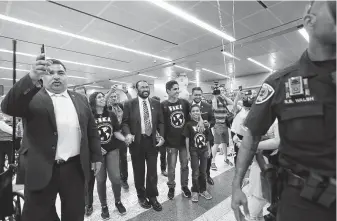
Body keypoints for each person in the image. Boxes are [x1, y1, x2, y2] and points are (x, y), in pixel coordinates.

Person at [231, 1, 336, 221]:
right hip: (302, 203)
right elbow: (251, 136)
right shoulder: (281, 83)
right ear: (309, 22)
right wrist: (237, 185)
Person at [1, 55, 102, 221]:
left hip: (74, 168)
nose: (56, 76)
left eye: (60, 73)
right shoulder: (32, 97)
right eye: (50, 72)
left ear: (66, 76)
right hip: (40, 168)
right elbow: (7, 107)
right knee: (39, 215)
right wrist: (31, 77)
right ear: (42, 76)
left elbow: (91, 129)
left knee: (75, 213)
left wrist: (97, 156)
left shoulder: (81, 99)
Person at [122, 80, 165, 212]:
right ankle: (141, 196)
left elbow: (161, 122)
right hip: (137, 143)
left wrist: (162, 136)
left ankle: (152, 196)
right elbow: (124, 123)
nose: (145, 89)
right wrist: (128, 134)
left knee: (152, 172)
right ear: (136, 89)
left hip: (152, 142)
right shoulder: (129, 104)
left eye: (147, 87)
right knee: (139, 171)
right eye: (142, 87)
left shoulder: (156, 104)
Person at [89, 92, 127, 219]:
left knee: (116, 178)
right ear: (93, 100)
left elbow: (116, 131)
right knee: (100, 180)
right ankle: (104, 206)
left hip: (112, 149)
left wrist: (124, 138)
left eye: (103, 96)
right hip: (97, 153)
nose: (102, 98)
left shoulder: (111, 114)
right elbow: (86, 136)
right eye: (99, 97)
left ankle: (118, 201)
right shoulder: (89, 115)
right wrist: (97, 148)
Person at [161, 80, 192, 200]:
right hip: (171, 143)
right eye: (174, 89)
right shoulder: (163, 105)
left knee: (185, 165)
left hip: (184, 142)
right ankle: (171, 187)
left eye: (178, 88)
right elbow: (160, 123)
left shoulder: (184, 103)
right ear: (168, 91)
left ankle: (184, 186)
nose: (177, 91)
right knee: (171, 168)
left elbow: (191, 117)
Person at [183, 105, 213, 202]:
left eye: (197, 111)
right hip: (194, 150)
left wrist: (209, 149)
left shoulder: (204, 124)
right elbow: (187, 139)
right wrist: (187, 153)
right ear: (190, 114)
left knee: (203, 171)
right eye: (193, 111)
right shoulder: (188, 124)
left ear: (200, 112)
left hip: (204, 150)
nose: (196, 112)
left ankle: (203, 190)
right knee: (195, 171)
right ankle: (195, 190)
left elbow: (207, 138)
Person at [106, 85, 132, 190]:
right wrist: (111, 90)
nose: (114, 98)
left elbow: (131, 101)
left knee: (123, 158)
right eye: (112, 96)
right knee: (113, 159)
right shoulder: (107, 108)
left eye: (115, 96)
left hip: (121, 135)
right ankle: (115, 178)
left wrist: (126, 92)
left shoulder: (120, 106)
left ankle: (124, 179)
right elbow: (105, 99)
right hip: (111, 136)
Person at [191, 87, 215, 185]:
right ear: (192, 95)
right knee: (195, 160)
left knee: (208, 157)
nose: (197, 96)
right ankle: (196, 179)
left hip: (207, 138)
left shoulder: (207, 106)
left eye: (199, 94)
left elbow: (213, 120)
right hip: (193, 139)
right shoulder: (188, 107)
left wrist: (208, 124)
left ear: (202, 95)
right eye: (195, 94)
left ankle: (207, 175)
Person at [211, 85, 234, 170]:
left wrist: (223, 96)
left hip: (224, 123)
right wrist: (215, 96)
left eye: (223, 90)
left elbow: (231, 103)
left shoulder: (224, 99)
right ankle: (212, 162)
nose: (221, 92)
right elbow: (215, 107)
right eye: (220, 91)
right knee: (216, 143)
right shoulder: (215, 99)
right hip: (217, 124)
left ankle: (225, 158)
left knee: (225, 142)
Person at [152, 96, 168, 177]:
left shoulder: (163, 112)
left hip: (162, 135)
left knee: (163, 154)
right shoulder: (150, 112)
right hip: (152, 137)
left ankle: (163, 169)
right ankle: (152, 170)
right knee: (153, 155)